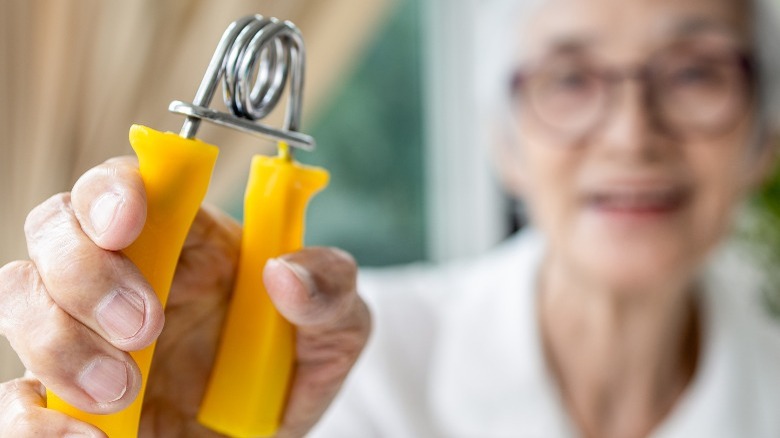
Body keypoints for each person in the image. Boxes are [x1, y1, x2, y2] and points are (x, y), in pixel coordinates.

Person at [2, 0, 780, 437]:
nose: (632, 133)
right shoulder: (329, 379)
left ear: (765, 137)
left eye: (694, 73)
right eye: (571, 78)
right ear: (500, 140)